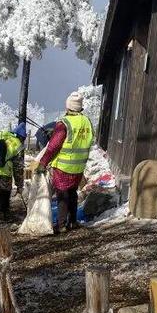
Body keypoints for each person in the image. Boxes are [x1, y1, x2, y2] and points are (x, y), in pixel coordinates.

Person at [37, 91, 94, 235]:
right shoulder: (87, 121)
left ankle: (61, 225)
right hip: (79, 166)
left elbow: (53, 146)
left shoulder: (64, 123)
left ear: (68, 107)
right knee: (72, 193)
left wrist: (43, 163)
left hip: (63, 166)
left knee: (62, 195)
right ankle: (73, 222)